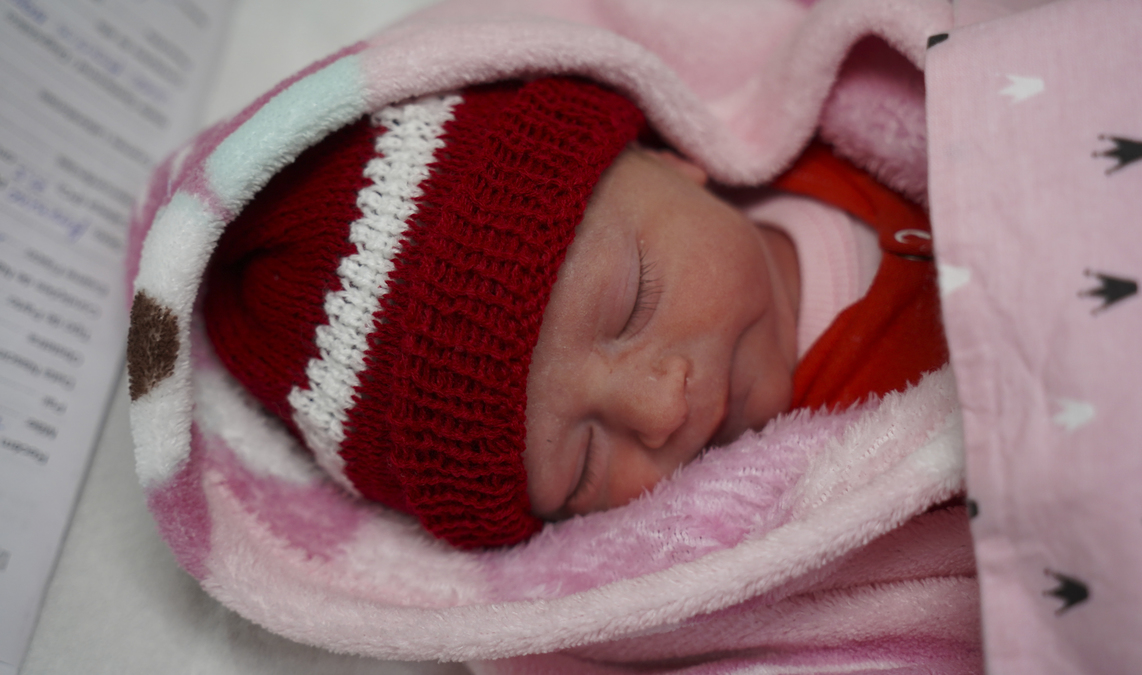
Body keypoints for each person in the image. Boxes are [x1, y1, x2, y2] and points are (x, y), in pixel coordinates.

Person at [202, 76, 946, 549]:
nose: (661, 410)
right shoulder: (831, 509)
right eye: (584, 467)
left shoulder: (840, 110)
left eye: (633, 302)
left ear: (663, 157)